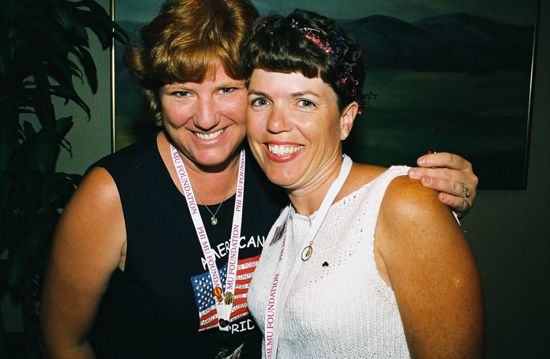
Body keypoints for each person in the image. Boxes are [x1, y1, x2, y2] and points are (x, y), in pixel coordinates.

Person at [40, 1, 479, 358]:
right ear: (156, 98)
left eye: (228, 91)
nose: (207, 117)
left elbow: (352, 194)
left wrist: (429, 192)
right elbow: (64, 340)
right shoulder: (112, 193)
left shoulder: (278, 173)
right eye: (181, 92)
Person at [243, 9, 484, 359]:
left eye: (305, 102)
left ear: (345, 120)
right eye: (261, 101)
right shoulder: (283, 222)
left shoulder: (402, 203)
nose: (276, 123)